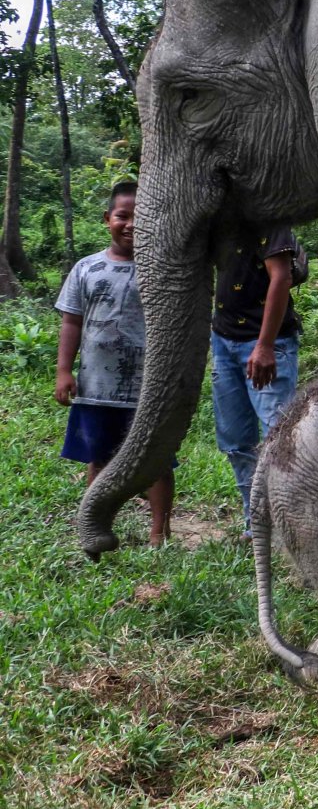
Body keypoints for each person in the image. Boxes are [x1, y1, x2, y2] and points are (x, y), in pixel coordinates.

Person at [54, 180, 174, 547]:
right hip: (96, 389)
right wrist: (63, 370)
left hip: (148, 390)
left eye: (142, 217)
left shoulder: (164, 270)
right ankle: (95, 523)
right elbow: (71, 321)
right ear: (108, 219)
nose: (132, 224)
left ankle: (160, 531)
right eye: (123, 216)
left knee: (157, 462)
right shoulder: (86, 269)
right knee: (99, 460)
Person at [212, 224, 301, 536]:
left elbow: (282, 277)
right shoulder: (222, 219)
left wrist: (264, 345)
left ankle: (288, 523)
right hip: (223, 341)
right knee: (235, 440)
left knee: (277, 437)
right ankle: (257, 522)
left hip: (266, 344)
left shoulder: (269, 217)